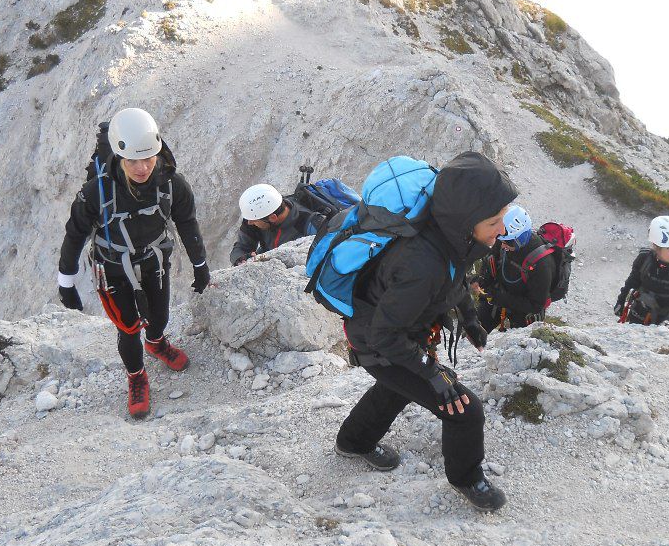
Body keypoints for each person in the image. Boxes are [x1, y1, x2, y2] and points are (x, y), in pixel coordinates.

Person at [334, 152, 517, 512]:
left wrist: (470, 320)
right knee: (465, 411)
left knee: (394, 389)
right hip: (378, 339)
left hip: (399, 331)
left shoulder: (451, 238)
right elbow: (386, 336)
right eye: (495, 221)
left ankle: (353, 442)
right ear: (468, 220)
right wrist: (432, 373)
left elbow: (456, 280)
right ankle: (468, 479)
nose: (503, 229)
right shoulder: (422, 263)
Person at [57, 108, 210, 418]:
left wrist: (200, 265)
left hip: (154, 259)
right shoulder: (95, 193)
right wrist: (66, 282)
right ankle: (136, 376)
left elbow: (187, 222)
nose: (142, 168)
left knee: (160, 316)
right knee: (127, 328)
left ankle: (155, 342)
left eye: (149, 159)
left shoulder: (171, 184)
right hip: (111, 265)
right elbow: (75, 234)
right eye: (132, 161)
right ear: (118, 156)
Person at [471, 205, 553, 331]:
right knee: (474, 330)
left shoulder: (542, 263)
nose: (503, 245)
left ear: (520, 238)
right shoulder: (504, 237)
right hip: (498, 294)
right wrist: (481, 280)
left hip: (523, 309)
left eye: (508, 242)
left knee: (522, 344)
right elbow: (491, 260)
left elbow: (536, 305)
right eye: (500, 239)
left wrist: (499, 298)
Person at [614, 215, 669, 329]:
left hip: (666, 324)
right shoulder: (644, 258)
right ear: (656, 247)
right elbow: (631, 284)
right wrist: (621, 302)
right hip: (639, 317)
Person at [230, 184, 327, 265]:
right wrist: (240, 258)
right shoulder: (258, 216)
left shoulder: (311, 224)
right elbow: (242, 246)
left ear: (273, 218)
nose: (249, 223)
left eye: (254, 220)